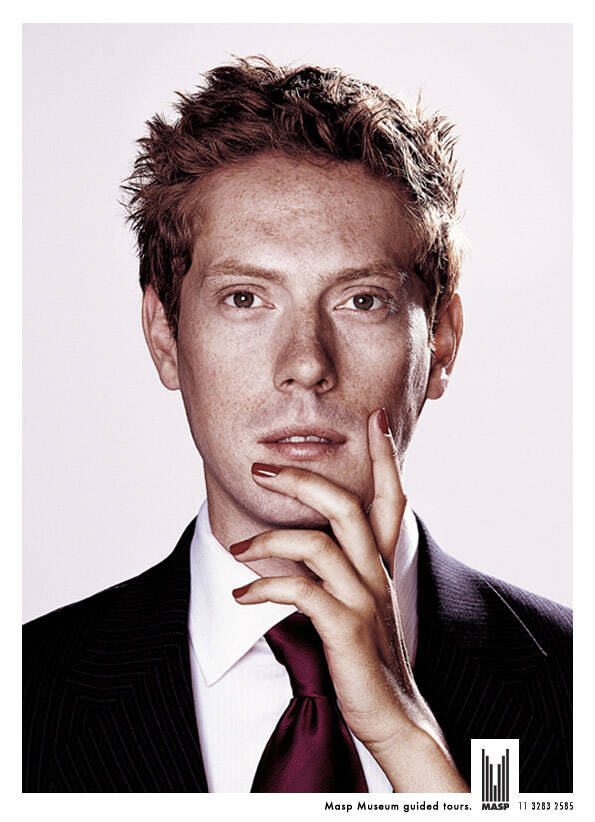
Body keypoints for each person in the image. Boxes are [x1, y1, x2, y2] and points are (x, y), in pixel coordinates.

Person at [22, 57, 572, 794]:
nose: (306, 364)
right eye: (245, 299)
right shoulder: (25, 696)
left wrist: (407, 742)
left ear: (441, 342)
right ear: (164, 335)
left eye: (362, 300)